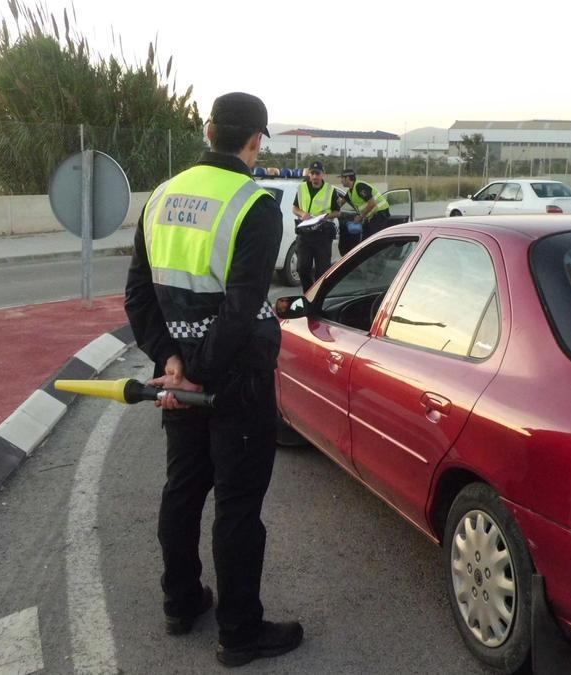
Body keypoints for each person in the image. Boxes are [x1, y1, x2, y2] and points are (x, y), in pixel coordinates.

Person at [124, 91, 303, 668]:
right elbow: (243, 303)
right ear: (255, 140)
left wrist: (169, 361)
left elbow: (138, 294)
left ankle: (181, 602)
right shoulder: (255, 204)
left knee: (183, 490)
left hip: (180, 374)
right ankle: (240, 632)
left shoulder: (162, 196)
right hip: (237, 380)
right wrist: (200, 372)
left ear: (207, 131)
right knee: (237, 505)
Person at [291, 161, 341, 291]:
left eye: (317, 173)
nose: (314, 176)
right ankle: (308, 293)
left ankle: (318, 296)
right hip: (304, 234)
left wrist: (325, 216)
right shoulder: (302, 188)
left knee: (322, 271)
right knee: (302, 268)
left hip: (322, 235)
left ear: (322, 174)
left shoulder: (330, 190)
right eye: (312, 173)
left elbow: (338, 212)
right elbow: (294, 208)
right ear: (309, 174)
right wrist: (302, 213)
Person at [337, 169, 391, 254]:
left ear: (347, 178)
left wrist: (360, 217)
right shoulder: (350, 192)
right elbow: (339, 204)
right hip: (371, 217)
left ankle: (378, 262)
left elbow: (372, 203)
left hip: (380, 214)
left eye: (342, 178)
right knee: (365, 243)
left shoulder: (360, 186)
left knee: (373, 243)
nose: (341, 181)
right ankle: (368, 262)